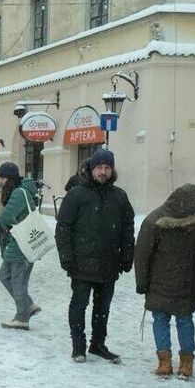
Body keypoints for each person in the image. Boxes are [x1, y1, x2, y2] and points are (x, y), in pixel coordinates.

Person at [55, 149, 135, 363]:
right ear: (91, 169)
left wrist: (127, 255)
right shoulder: (76, 194)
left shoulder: (119, 196)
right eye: (99, 167)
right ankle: (78, 346)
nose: (103, 171)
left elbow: (128, 227)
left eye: (107, 167)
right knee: (79, 304)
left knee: (103, 307)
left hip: (109, 262)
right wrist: (66, 256)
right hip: (81, 262)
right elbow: (63, 227)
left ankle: (98, 344)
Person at [134, 184, 195, 378]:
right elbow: (142, 255)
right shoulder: (154, 222)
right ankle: (164, 361)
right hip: (159, 282)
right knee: (160, 320)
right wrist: (141, 282)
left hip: (186, 283)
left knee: (185, 321)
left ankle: (187, 362)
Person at [0, 162, 41, 329]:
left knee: (17, 281)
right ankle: (27, 305)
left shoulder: (19, 194)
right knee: (4, 276)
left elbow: (6, 217)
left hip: (23, 245)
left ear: (8, 179)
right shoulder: (19, 191)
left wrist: (0, 221)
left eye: (1, 179)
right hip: (18, 243)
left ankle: (22, 317)